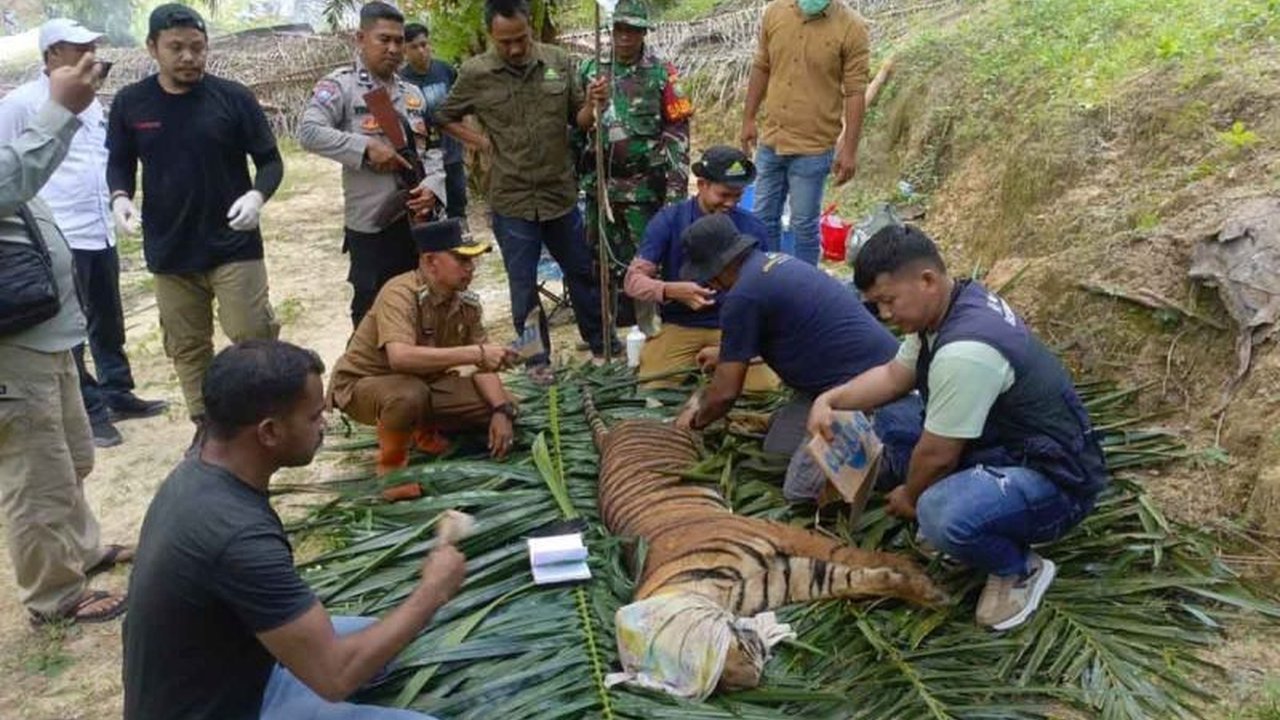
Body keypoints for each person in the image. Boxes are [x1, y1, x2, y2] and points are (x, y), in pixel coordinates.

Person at [123, 340, 465, 720]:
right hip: (234, 706)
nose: (324, 425)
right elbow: (336, 676)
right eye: (314, 416)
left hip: (239, 667)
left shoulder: (202, 467)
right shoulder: (237, 536)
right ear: (268, 432)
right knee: (370, 666)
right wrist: (433, 591)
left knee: (382, 641)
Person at [807, 225, 1108, 630]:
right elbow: (895, 377)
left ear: (927, 280)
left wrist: (911, 496)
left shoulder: (965, 351)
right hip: (1005, 440)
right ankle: (974, 503)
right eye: (877, 305)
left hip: (1056, 480)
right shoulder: (947, 306)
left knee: (941, 513)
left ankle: (1019, 569)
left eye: (888, 301)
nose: (885, 315)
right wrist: (830, 399)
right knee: (896, 415)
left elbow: (938, 455)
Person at [106, 3, 283, 438]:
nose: (188, 57)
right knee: (187, 347)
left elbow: (270, 161)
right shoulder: (132, 103)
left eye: (197, 48)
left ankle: (264, 417)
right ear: (153, 48)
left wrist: (257, 195)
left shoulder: (233, 97)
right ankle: (207, 428)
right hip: (171, 249)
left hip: (234, 241)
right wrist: (120, 197)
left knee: (253, 336)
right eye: (176, 48)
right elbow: (119, 162)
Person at [0, 53, 130, 626]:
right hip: (12, 344)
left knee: (69, 456)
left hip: (43, 331)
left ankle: (79, 551)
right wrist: (60, 109)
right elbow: (10, 183)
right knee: (36, 473)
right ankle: (53, 596)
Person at [0, 18, 168, 450]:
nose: (91, 54)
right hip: (60, 229)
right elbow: (10, 172)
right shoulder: (21, 104)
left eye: (93, 45)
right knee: (70, 326)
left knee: (107, 318)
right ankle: (89, 409)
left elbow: (101, 157)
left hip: (97, 226)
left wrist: (117, 202)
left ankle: (117, 391)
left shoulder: (89, 98)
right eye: (79, 47)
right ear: (52, 54)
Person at [673, 213, 923, 502]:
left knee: (801, 490)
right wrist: (726, 353)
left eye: (706, 275)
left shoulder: (743, 297)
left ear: (718, 268)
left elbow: (725, 395)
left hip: (869, 390)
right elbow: (795, 332)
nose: (710, 285)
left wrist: (692, 423)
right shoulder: (772, 264)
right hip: (837, 381)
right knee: (778, 449)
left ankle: (897, 460)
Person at [436, 0, 613, 381]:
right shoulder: (475, 72)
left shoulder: (557, 61)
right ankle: (537, 360)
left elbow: (580, 119)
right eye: (505, 42)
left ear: (530, 28)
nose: (515, 49)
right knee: (522, 284)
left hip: (559, 193)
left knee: (581, 272)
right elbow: (443, 115)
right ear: (490, 37)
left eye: (520, 39)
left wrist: (595, 104)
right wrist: (480, 143)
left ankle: (602, 346)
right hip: (511, 198)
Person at [329, 219, 518, 475]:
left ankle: (420, 429)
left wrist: (500, 410)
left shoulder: (466, 303)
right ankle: (392, 472)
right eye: (462, 260)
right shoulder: (400, 293)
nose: (470, 268)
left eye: (472, 261)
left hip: (425, 384)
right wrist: (475, 353)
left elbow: (484, 366)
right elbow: (400, 358)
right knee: (408, 395)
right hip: (365, 384)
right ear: (430, 261)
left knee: (508, 403)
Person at [300, 2, 448, 328]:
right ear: (361, 38)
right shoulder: (341, 86)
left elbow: (433, 151)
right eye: (384, 39)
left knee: (422, 303)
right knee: (372, 312)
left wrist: (433, 189)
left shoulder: (413, 94)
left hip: (418, 220)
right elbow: (308, 132)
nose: (394, 49)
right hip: (372, 224)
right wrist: (365, 148)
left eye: (399, 41)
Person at [576, 0, 692, 329]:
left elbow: (678, 132)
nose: (625, 37)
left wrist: (675, 192)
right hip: (602, 189)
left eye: (633, 30)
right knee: (605, 261)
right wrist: (590, 102)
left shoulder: (661, 72)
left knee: (648, 260)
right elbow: (579, 126)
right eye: (619, 29)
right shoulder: (591, 69)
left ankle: (655, 327)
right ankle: (616, 326)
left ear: (643, 33)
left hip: (644, 188)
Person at [623, 145, 777, 391]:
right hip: (681, 325)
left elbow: (769, 285)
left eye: (737, 196)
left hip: (734, 326)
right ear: (702, 184)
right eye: (724, 194)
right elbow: (633, 281)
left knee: (762, 391)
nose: (731, 203)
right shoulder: (669, 220)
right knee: (651, 388)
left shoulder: (753, 228)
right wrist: (670, 291)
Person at [739, 0, 870, 264]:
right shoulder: (775, 13)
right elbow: (762, 66)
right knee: (763, 217)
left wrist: (849, 150)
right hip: (772, 138)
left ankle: (804, 291)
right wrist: (749, 118)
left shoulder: (851, 27)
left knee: (804, 225)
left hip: (814, 146)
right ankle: (771, 280)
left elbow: (855, 91)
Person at [399, 21, 468, 221]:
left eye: (424, 44)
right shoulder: (401, 81)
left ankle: (460, 243)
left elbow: (463, 104)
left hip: (452, 152)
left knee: (457, 203)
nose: (421, 51)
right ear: (405, 50)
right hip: (423, 158)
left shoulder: (445, 70)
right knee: (428, 208)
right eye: (414, 47)